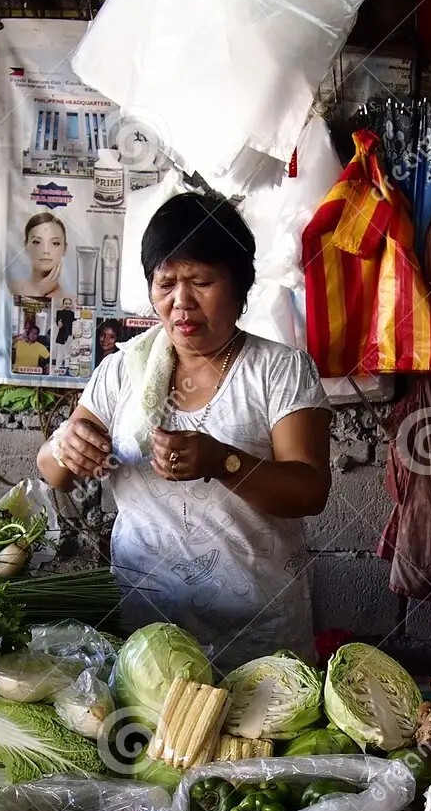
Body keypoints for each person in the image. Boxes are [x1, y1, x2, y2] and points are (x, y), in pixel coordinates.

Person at [38, 192, 332, 666]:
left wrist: (224, 461)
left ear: (239, 287)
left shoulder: (280, 370)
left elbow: (310, 490)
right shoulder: (124, 371)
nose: (181, 303)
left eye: (201, 282)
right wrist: (64, 444)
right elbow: (55, 472)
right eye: (166, 283)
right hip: (148, 630)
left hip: (258, 631)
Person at [15, 212, 67, 299]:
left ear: (64, 248)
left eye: (55, 243)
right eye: (36, 242)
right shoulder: (11, 288)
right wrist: (38, 291)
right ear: (26, 245)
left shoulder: (71, 300)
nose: (46, 251)